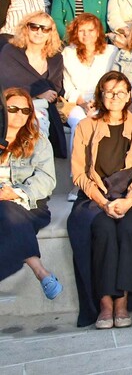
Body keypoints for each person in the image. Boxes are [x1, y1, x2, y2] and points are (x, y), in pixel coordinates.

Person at [68, 71, 132, 329]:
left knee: (129, 229)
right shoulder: (86, 126)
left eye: (120, 92)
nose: (114, 97)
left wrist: (128, 201)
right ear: (100, 95)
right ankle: (105, 302)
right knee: (104, 230)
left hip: (131, 196)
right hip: (96, 195)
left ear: (129, 95)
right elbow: (78, 173)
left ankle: (122, 302)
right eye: (109, 92)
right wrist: (103, 202)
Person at [0, 87, 61, 300]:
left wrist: (15, 193)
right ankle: (41, 271)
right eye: (13, 108)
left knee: (6, 209)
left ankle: (39, 272)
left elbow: (46, 180)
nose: (19, 115)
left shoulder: (38, 140)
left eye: (25, 111)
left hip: (30, 205)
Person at [0, 13, 65, 157]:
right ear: (26, 28)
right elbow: (5, 82)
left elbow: (56, 87)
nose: (39, 32)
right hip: (12, 105)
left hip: (42, 106)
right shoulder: (10, 52)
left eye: (45, 29)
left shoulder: (56, 58)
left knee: (40, 127)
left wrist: (48, 94)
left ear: (50, 33)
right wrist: (37, 91)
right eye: (34, 27)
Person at [62, 14, 116, 153]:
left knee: (103, 124)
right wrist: (83, 104)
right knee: (79, 124)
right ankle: (76, 170)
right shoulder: (68, 53)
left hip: (104, 101)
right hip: (78, 103)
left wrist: (99, 102)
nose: (86, 35)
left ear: (98, 32)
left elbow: (114, 82)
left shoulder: (111, 51)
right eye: (81, 31)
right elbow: (68, 87)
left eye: (91, 30)